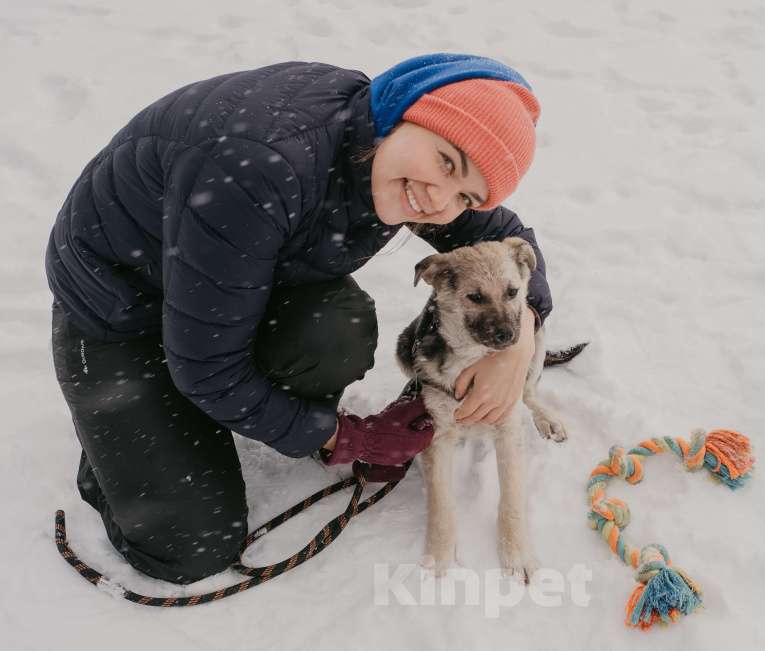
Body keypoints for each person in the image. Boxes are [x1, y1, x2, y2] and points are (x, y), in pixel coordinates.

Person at [46, 53, 553, 585]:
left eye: (466, 196)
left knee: (334, 330)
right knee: (189, 548)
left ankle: (230, 418)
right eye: (446, 162)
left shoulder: (386, 153)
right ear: (405, 113)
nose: (438, 201)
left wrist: (520, 342)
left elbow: (508, 237)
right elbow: (206, 369)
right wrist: (344, 438)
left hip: (227, 296)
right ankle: (119, 447)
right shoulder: (261, 164)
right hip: (120, 312)